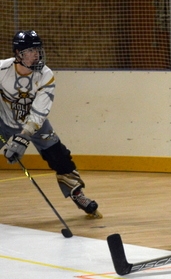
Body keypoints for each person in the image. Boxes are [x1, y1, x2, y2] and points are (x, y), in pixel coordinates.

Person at [0, 30, 100, 217]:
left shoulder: (46, 75)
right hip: (3, 122)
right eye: (30, 51)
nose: (36, 55)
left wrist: (23, 138)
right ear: (18, 53)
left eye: (37, 50)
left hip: (35, 127)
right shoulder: (2, 70)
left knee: (60, 157)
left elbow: (39, 112)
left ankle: (77, 194)